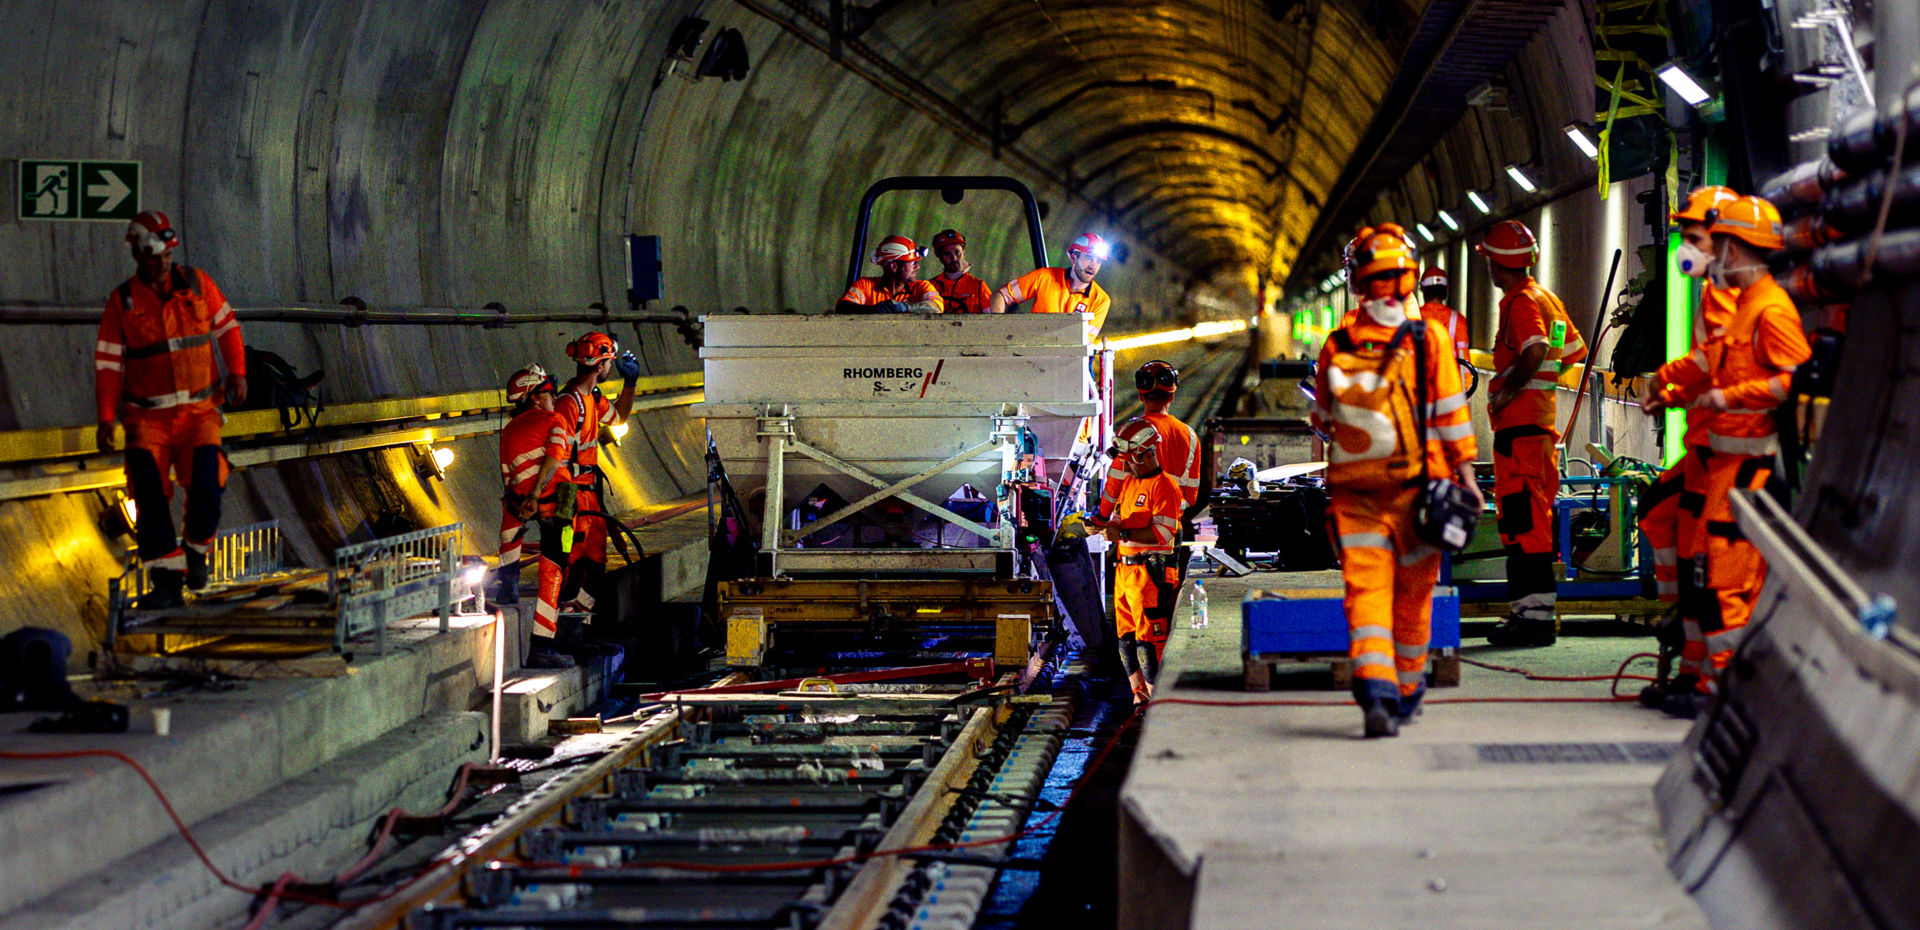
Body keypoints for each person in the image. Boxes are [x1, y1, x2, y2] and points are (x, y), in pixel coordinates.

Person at [1640, 194, 1810, 717]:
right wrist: (1666, 391)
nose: (1705, 251)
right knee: (1703, 571)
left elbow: (1796, 377)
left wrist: (1730, 398)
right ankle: (1706, 678)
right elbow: (1706, 362)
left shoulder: (1769, 309)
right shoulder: (1745, 306)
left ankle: (1730, 690)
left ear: (1735, 248)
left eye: (1709, 241)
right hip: (1722, 465)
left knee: (1724, 583)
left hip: (1747, 468)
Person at [1313, 224, 1480, 737]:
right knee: (1413, 596)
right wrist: (1468, 477)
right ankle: (1406, 690)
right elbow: (1451, 415)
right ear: (1409, 280)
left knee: (1366, 594)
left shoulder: (1338, 341)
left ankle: (1376, 689)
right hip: (1419, 489)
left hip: (1355, 494)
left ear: (1358, 283)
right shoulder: (1428, 339)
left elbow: (1323, 419)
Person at [94, 210, 248, 609]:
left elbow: (228, 328)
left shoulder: (197, 285)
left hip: (199, 416)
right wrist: (106, 416)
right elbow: (109, 364)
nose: (161, 263)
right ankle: (166, 583)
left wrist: (238, 373)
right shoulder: (123, 302)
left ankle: (196, 554)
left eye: (166, 255)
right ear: (136, 255)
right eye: (153, 256)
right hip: (148, 421)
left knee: (207, 485)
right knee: (148, 495)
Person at [1634, 185, 1741, 708]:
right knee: (1659, 515)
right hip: (1703, 446)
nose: (1684, 245)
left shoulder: (1731, 296)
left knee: (1705, 560)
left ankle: (1706, 673)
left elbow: (1712, 365)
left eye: (1693, 236)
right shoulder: (1715, 291)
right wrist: (1673, 393)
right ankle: (1688, 642)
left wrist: (1666, 381)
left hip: (1724, 454)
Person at [1478, 219, 1587, 647]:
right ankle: (1532, 615)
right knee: (1533, 521)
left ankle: (1533, 621)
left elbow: (1536, 350)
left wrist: (1508, 393)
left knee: (1523, 524)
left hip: (1520, 430)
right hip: (1539, 430)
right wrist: (1540, 386)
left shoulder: (1520, 302)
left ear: (1497, 264)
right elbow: (1571, 353)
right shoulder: (1547, 298)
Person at [1089, 418, 1183, 706]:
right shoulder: (1130, 483)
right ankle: (1140, 699)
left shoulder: (1165, 487)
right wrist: (1105, 526)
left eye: (1130, 460)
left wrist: (1123, 532)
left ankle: (1158, 704)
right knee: (1127, 641)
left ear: (1147, 454)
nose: (1126, 466)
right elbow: (1122, 518)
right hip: (1126, 573)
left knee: (1149, 642)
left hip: (1150, 573)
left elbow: (1164, 532)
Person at [552, 332, 640, 621]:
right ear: (601, 365)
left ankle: (583, 625)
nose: (610, 369)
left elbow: (619, 417)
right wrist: (564, 509)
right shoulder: (570, 402)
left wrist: (630, 384)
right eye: (610, 364)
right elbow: (557, 455)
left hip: (588, 494)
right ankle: (563, 629)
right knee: (571, 564)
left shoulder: (593, 398)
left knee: (595, 563)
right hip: (571, 496)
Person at [496, 365, 575, 668]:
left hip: (517, 503)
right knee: (554, 569)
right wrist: (536, 494)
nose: (553, 397)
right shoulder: (555, 420)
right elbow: (554, 458)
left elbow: (507, 478)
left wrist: (521, 501)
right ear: (534, 398)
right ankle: (542, 645)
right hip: (554, 503)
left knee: (509, 530)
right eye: (548, 393)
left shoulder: (509, 431)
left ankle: (507, 586)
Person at [1098, 361, 1200, 520]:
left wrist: (1102, 517)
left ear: (1140, 396)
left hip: (1134, 529)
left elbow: (1114, 485)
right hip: (1172, 528)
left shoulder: (1131, 432)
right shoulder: (1190, 435)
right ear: (1172, 396)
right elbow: (1191, 496)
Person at [989, 232, 1113, 337]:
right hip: (1034, 354)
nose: (1093, 266)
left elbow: (1084, 342)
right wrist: (1000, 332)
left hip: (1071, 362)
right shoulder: (1044, 277)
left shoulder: (1101, 300)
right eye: (1089, 258)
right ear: (1074, 258)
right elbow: (1000, 296)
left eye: (1098, 261)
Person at [836, 235, 942, 313]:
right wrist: (873, 310)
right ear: (894, 267)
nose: (917, 267)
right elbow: (842, 307)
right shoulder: (865, 286)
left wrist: (905, 307)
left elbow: (936, 307)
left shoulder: (921, 287)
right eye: (913, 263)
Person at [928, 229, 994, 313]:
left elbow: (992, 320)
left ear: (963, 253)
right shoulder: (930, 287)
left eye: (957, 253)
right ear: (939, 257)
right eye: (947, 254)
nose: (954, 258)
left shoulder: (978, 287)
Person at [1416, 266, 1469, 359]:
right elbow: (1463, 358)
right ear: (1445, 291)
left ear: (1423, 290)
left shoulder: (1413, 316)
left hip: (1419, 373)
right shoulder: (1457, 319)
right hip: (1448, 372)